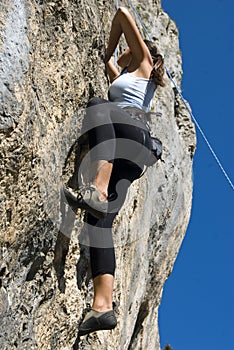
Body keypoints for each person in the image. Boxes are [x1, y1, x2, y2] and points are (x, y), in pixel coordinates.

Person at [64, 6, 165, 336]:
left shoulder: (145, 66)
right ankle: (102, 306)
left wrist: (110, 50)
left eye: (130, 49)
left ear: (141, 53)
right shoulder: (125, 78)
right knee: (99, 223)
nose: (124, 52)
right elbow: (113, 70)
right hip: (132, 152)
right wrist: (111, 61)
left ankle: (97, 186)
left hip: (130, 130)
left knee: (98, 106)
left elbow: (122, 13)